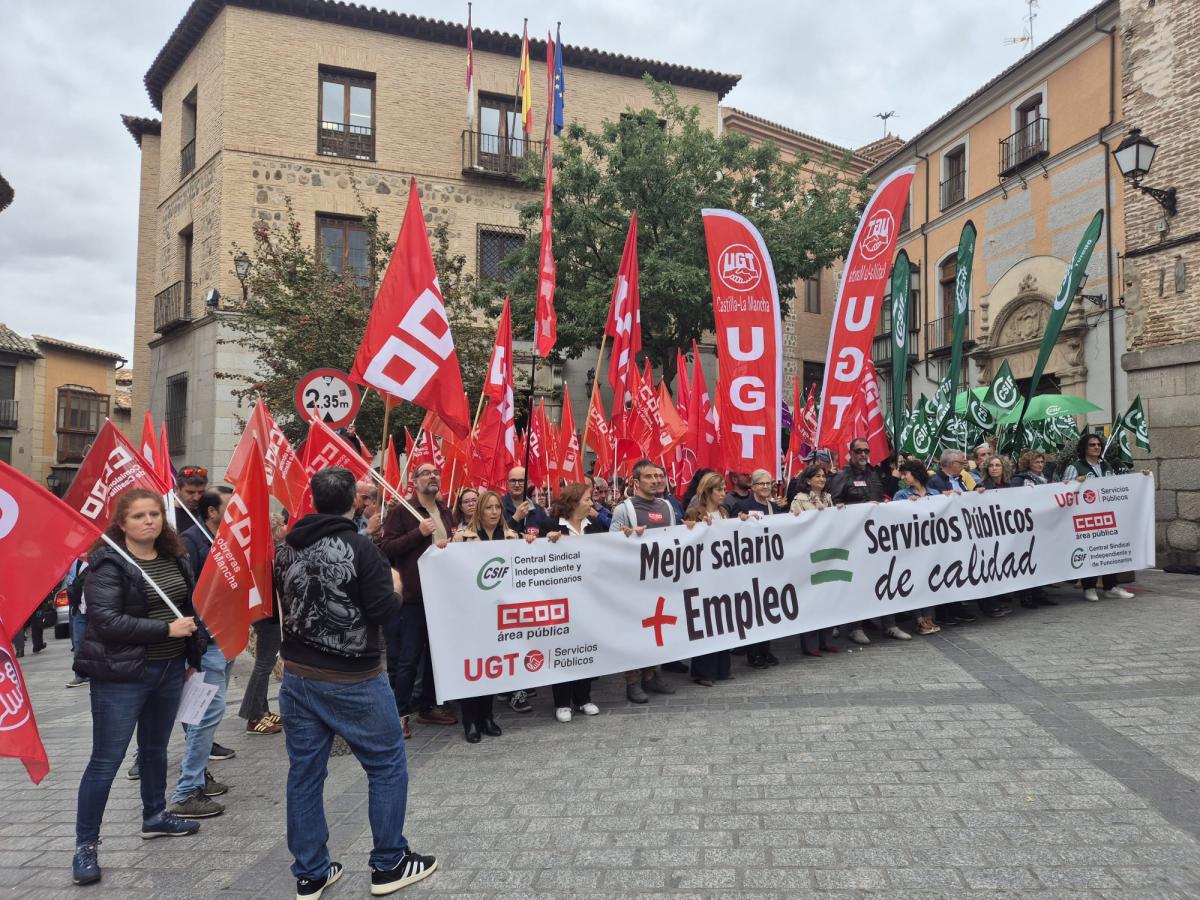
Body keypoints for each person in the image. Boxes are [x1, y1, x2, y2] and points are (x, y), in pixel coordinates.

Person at [276, 467, 436, 898]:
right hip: (353, 679)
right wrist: (396, 584)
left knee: (305, 774)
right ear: (355, 503)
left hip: (298, 677)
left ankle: (310, 872)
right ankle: (389, 862)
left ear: (314, 501)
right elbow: (385, 611)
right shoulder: (362, 548)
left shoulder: (286, 547)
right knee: (386, 765)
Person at [71, 488, 204, 886]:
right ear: (121, 523)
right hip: (122, 676)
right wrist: (166, 630)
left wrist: (191, 658)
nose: (149, 521)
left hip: (169, 669)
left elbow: (187, 608)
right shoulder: (108, 563)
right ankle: (85, 845)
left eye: (154, 514)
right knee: (106, 760)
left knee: (155, 750)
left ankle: (155, 816)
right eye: (138, 516)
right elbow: (106, 621)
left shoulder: (174, 556)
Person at [169, 486, 245, 821]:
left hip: (223, 638)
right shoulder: (191, 542)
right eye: (230, 507)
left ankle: (198, 776)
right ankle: (187, 790)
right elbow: (187, 595)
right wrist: (196, 644)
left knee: (200, 714)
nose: (237, 512)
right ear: (212, 512)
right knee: (205, 714)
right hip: (206, 643)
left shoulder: (226, 540)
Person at [379, 463, 458, 734]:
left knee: (437, 656)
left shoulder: (445, 511)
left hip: (441, 596)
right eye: (425, 473)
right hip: (414, 597)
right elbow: (386, 548)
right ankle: (400, 713)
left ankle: (428, 706)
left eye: (435, 472)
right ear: (414, 481)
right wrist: (418, 533)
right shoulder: (402, 511)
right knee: (408, 658)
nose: (432, 476)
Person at [609, 459, 679, 703]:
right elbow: (612, 544)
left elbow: (675, 538)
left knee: (657, 631)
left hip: (659, 581)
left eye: (659, 476)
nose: (656, 481)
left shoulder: (667, 506)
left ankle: (651, 675)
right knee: (634, 632)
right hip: (633, 583)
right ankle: (632, 681)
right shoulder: (624, 509)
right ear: (636, 481)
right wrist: (626, 536)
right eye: (650, 476)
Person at [451, 490, 518, 743]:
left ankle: (487, 717)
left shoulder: (512, 537)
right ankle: (470, 719)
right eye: (488, 507)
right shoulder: (462, 538)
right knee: (473, 666)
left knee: (492, 665)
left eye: (497, 507)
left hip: (498, 612)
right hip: (471, 613)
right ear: (479, 510)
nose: (494, 512)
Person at [830, 438, 911, 644]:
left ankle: (890, 624)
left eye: (866, 450)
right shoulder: (842, 476)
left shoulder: (873, 474)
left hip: (877, 538)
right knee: (858, 583)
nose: (863, 454)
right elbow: (835, 505)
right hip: (854, 539)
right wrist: (862, 506)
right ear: (851, 453)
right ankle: (855, 627)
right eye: (859, 451)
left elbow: (882, 498)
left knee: (885, 578)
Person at [545, 483, 604, 720]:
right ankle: (562, 702)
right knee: (562, 649)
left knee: (585, 647)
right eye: (587, 499)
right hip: (561, 599)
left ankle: (583, 698)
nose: (591, 503)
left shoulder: (595, 526)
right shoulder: (551, 526)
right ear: (573, 502)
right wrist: (544, 541)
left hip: (590, 598)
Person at [1062, 434, 1135, 602]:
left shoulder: (1106, 466)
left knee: (1109, 550)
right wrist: (1075, 482)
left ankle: (1111, 586)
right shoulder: (1075, 467)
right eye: (1092, 445)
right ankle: (1089, 587)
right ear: (1084, 448)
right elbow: (1063, 489)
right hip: (1086, 517)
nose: (1096, 447)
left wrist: (1142, 477)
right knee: (1090, 551)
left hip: (1106, 515)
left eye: (1098, 444)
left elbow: (1116, 486)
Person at [732, 469, 789, 668]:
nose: (765, 487)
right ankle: (753, 653)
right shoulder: (743, 506)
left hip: (769, 567)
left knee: (768, 609)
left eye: (768, 483)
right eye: (761, 484)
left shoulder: (775, 506)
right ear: (753, 486)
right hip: (750, 566)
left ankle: (765, 650)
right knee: (753, 610)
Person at [788, 464, 841, 655]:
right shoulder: (799, 499)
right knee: (811, 599)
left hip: (827, 553)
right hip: (810, 555)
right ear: (808, 480)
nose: (822, 479)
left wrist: (838, 511)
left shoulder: (828, 498)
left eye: (823, 476)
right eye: (817, 476)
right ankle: (810, 645)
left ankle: (826, 640)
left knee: (827, 597)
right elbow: (795, 525)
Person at [891, 461, 942, 636]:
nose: (903, 477)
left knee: (930, 579)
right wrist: (908, 505)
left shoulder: (934, 493)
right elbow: (894, 517)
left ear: (916, 473)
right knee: (915, 580)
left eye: (906, 473)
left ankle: (929, 616)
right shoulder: (901, 495)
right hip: (911, 545)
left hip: (930, 544)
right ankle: (919, 619)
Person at [501, 465, 554, 537]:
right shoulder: (499, 506)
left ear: (528, 483)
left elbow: (546, 535)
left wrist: (551, 535)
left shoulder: (539, 511)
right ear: (508, 483)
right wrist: (515, 518)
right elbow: (495, 536)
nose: (517, 485)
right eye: (513, 481)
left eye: (521, 481)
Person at [64, 555, 90, 687]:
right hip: (80, 608)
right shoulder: (75, 563)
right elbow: (70, 581)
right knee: (78, 641)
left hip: (98, 608)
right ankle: (80, 675)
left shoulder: (100, 559)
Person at [173, 465, 209, 532]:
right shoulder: (166, 513)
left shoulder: (210, 511)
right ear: (177, 489)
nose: (196, 498)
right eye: (190, 492)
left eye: (201, 492)